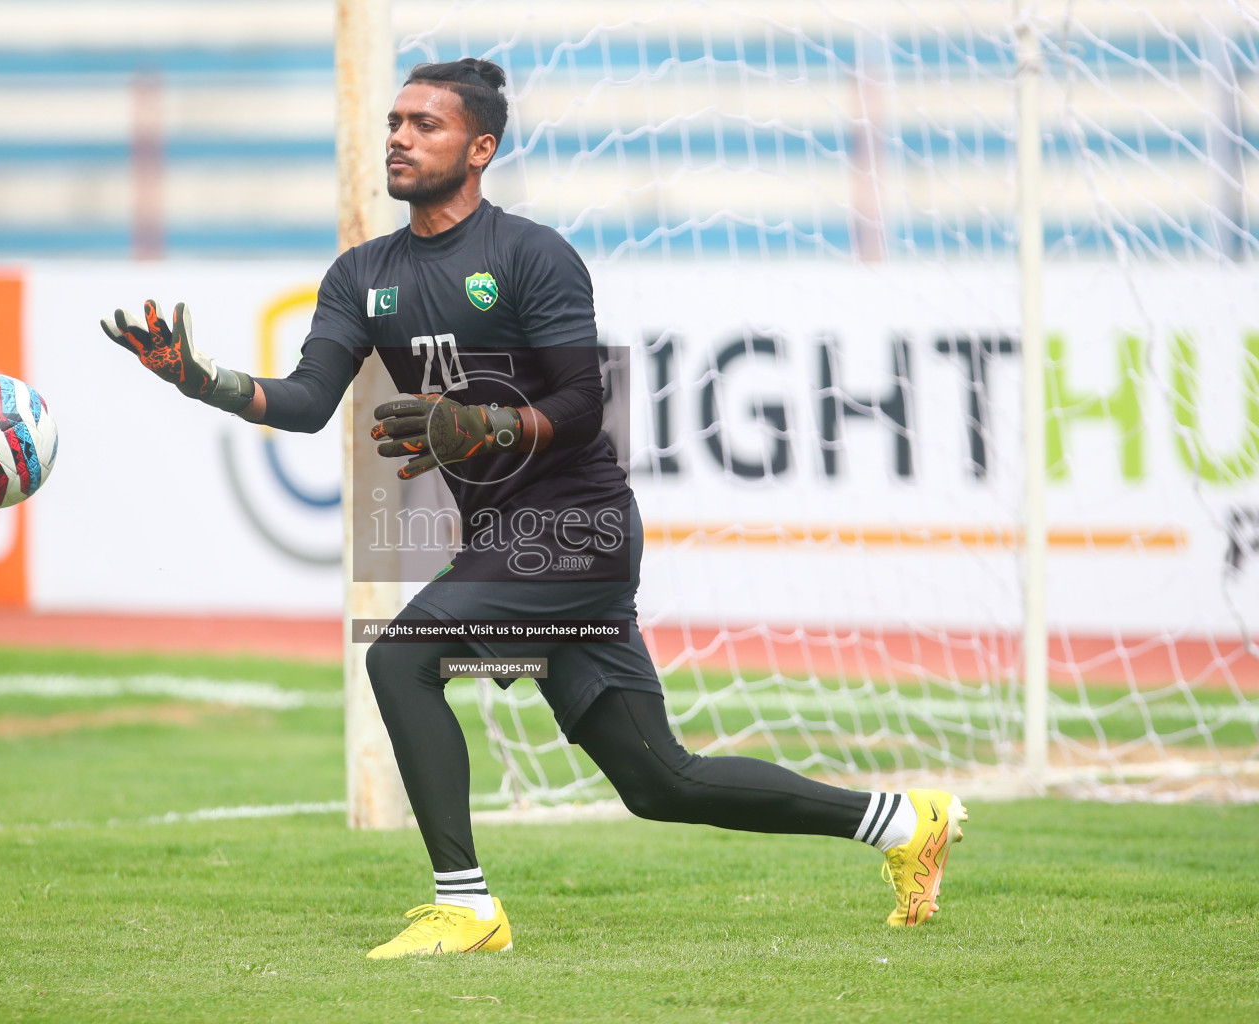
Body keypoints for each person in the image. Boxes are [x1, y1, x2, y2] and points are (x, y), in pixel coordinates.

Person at [102, 57, 967, 959]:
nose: (398, 136)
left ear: (480, 148)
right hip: (511, 543)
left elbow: (585, 401)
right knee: (660, 781)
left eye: (423, 125)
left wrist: (479, 422)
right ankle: (906, 821)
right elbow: (311, 401)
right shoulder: (360, 274)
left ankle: (466, 907)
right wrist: (203, 381)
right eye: (393, 121)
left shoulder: (529, 254)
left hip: (575, 527)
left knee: (400, 661)